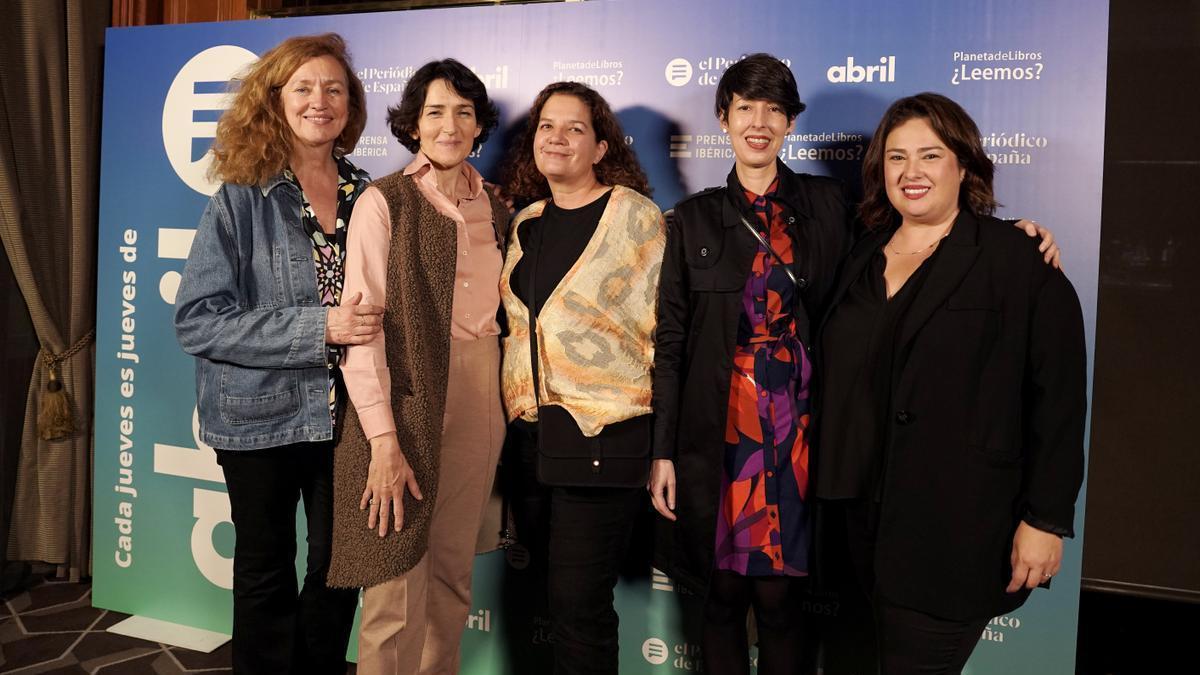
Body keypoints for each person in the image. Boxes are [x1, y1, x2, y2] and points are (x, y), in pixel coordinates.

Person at [649, 55, 1062, 675]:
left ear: (791, 122)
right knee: (720, 595)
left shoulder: (829, 206)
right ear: (723, 118)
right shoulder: (691, 220)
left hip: (800, 434)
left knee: (782, 598)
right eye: (744, 109)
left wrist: (1021, 232)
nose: (758, 123)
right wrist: (663, 449)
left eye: (774, 110)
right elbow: (672, 343)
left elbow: (926, 232)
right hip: (719, 435)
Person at [815, 92, 1086, 674]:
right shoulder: (859, 256)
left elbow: (1059, 403)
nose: (911, 172)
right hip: (859, 529)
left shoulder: (1017, 261)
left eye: (930, 156)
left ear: (964, 166)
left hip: (958, 530)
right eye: (896, 158)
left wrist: (1045, 520)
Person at [173, 33, 378, 674]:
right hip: (257, 416)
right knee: (265, 570)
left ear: (351, 105)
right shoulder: (240, 195)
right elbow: (198, 320)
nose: (321, 101)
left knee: (339, 567)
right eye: (305, 88)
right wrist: (319, 328)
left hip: (348, 417)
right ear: (275, 100)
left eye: (334, 88)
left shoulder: (366, 192)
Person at [323, 59, 511, 674]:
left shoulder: (498, 209)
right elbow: (362, 327)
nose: (449, 125)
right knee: (393, 579)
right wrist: (381, 438)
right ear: (412, 124)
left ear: (480, 125)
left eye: (463, 112)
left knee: (453, 571)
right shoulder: (385, 201)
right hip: (404, 397)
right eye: (435, 112)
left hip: (483, 392)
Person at [499, 81, 665, 675]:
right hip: (531, 439)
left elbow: (664, 337)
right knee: (553, 598)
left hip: (605, 434)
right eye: (547, 125)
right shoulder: (526, 223)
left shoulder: (635, 217)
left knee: (578, 604)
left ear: (600, 147)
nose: (558, 138)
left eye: (575, 128)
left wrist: (664, 445)